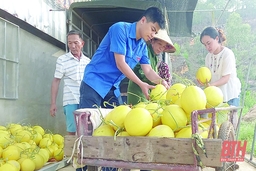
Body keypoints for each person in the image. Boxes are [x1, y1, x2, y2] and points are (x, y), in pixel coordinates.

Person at [79, 7, 169, 110]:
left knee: (117, 122)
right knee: (88, 123)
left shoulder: (142, 47)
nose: (152, 35)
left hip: (112, 88)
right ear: (143, 20)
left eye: (155, 33)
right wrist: (141, 84)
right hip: (95, 82)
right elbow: (120, 63)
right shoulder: (120, 29)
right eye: (152, 29)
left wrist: (162, 82)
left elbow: (148, 70)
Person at [199, 26, 241, 129]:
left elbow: (226, 78)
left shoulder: (227, 54)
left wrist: (210, 85)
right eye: (205, 45)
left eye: (209, 43)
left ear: (217, 39)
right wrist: (203, 82)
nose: (207, 47)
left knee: (230, 128)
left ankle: (232, 145)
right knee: (219, 128)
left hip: (229, 95)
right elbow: (208, 77)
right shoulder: (208, 57)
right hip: (216, 98)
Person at [50, 30, 90, 135]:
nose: (72, 46)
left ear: (82, 43)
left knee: (86, 131)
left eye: (75, 43)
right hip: (70, 100)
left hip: (85, 101)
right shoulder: (62, 60)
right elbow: (56, 81)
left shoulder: (88, 62)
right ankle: (71, 151)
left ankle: (82, 152)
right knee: (72, 131)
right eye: (69, 43)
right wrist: (53, 103)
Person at [127, 29, 176, 105]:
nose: (161, 48)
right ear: (152, 41)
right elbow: (144, 73)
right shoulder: (145, 51)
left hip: (148, 93)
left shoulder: (155, 57)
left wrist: (161, 83)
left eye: (163, 47)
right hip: (138, 92)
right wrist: (160, 83)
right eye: (159, 44)